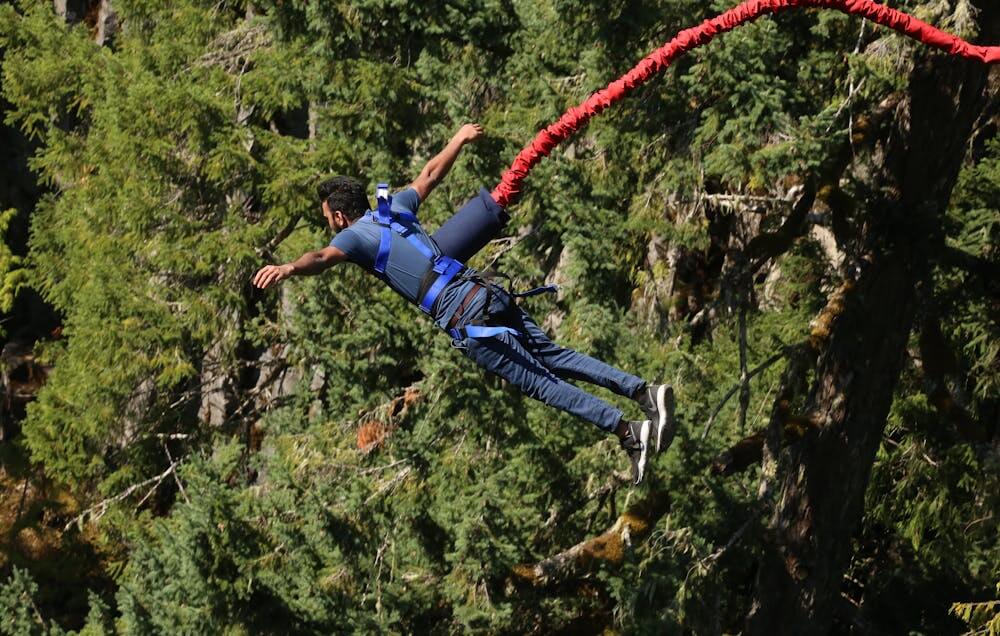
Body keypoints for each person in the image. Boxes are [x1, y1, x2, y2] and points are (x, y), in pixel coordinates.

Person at [252, 124, 676, 484]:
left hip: (462, 314)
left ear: (340, 218)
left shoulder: (353, 237)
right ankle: (644, 392)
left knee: (540, 383)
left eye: (328, 219)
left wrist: (290, 267)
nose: (330, 227)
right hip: (482, 290)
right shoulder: (392, 208)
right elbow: (430, 175)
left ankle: (628, 431)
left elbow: (322, 258)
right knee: (553, 356)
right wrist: (456, 140)